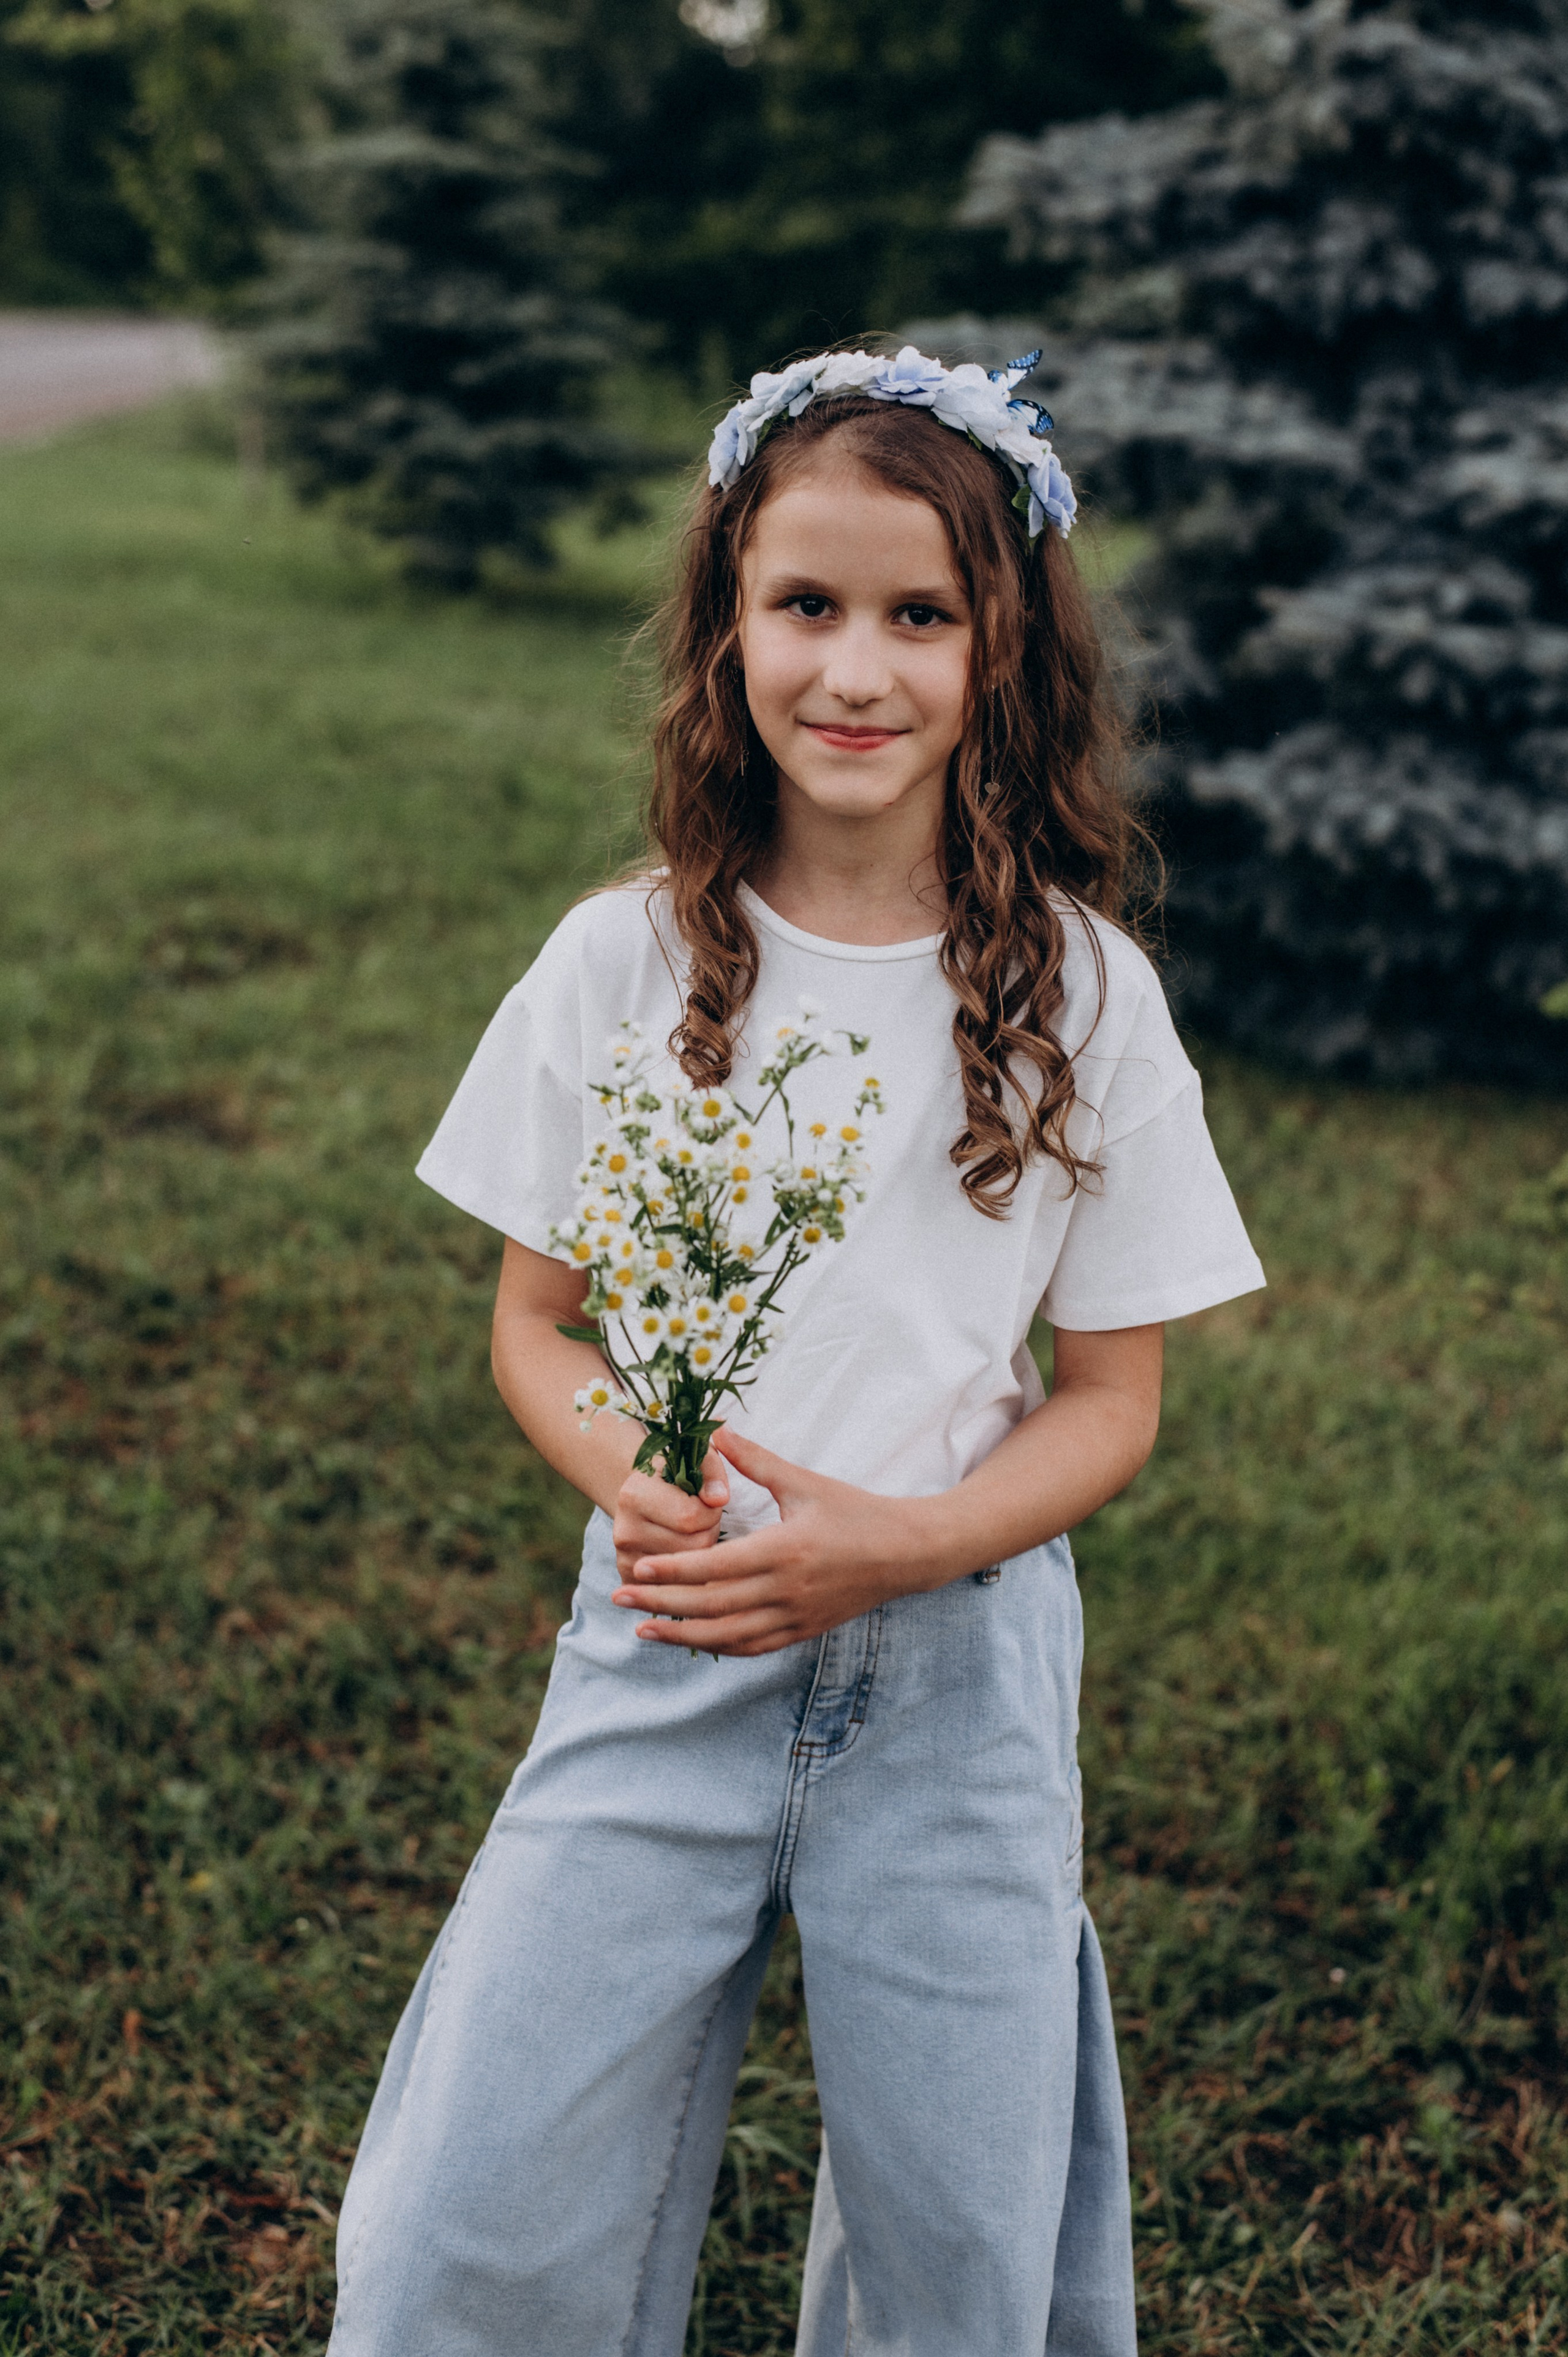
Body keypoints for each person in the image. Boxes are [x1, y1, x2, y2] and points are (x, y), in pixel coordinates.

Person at [326, 345, 1265, 2356]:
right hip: (665, 1636)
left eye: (922, 617)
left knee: (960, 2243)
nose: (856, 670)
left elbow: (1113, 1403)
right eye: (807, 604)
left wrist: (896, 1546)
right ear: (727, 625)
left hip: (958, 1684)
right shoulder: (625, 960)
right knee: (473, 2208)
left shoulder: (1085, 999)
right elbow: (535, 1327)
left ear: (1004, 653)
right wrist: (642, 1480)